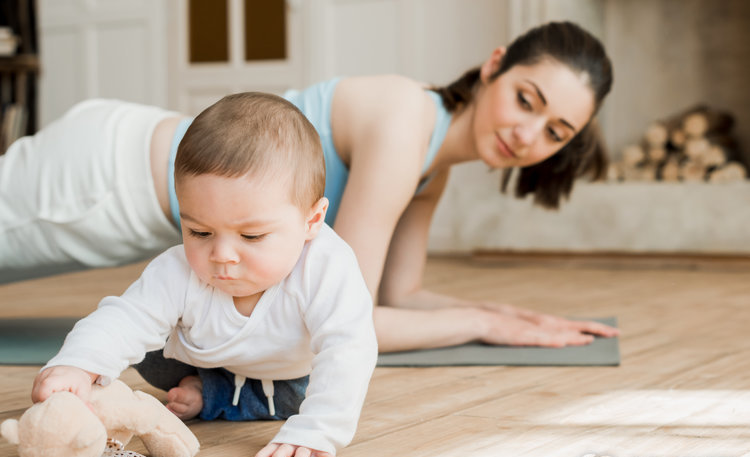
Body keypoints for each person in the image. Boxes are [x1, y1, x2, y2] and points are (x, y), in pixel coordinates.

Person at [1, 21, 619, 351]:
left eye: (555, 131)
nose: (527, 133)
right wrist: (481, 327)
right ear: (494, 67)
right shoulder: (405, 120)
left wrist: (501, 313)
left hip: (127, 204)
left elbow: (398, 295)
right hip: (104, 181)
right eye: (525, 99)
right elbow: (351, 316)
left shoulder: (432, 167)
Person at [30, 92, 379, 457]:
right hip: (202, 354)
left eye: (251, 237)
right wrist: (76, 366)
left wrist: (318, 430)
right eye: (199, 231)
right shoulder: (178, 269)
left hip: (286, 373)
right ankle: (205, 385)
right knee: (145, 353)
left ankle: (211, 395)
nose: (222, 255)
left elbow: (349, 346)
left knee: (305, 393)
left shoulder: (327, 266)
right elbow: (125, 317)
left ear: (312, 222)